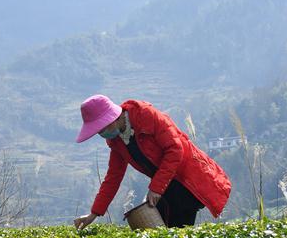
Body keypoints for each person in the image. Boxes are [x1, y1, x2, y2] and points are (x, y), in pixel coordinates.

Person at [73, 94, 231, 230]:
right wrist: (94, 213)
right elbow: (113, 178)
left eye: (101, 129)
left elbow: (175, 150)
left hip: (188, 182)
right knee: (161, 234)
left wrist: (156, 188)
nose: (101, 134)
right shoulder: (117, 141)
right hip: (168, 186)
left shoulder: (146, 115)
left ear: (112, 118)